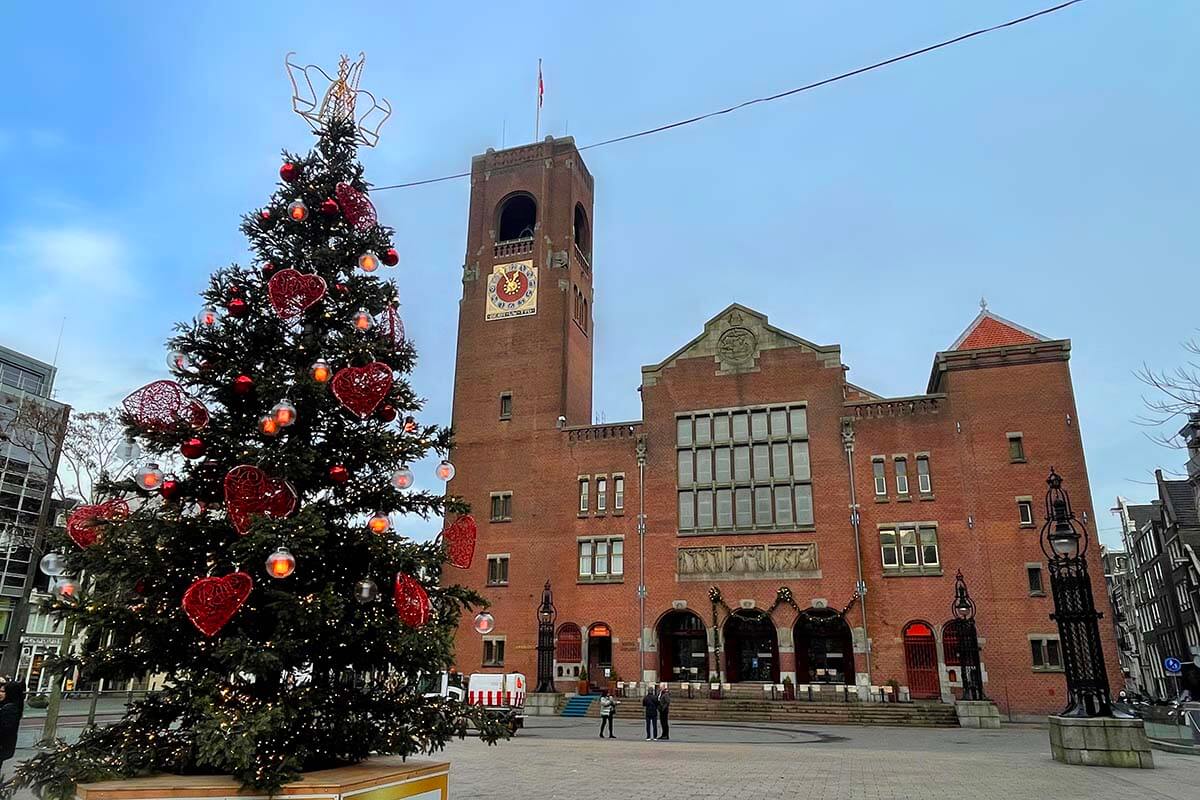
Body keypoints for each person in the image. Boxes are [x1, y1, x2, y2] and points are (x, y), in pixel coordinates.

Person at [0, 681, 26, 777]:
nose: (1, 694)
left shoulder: (9, 709)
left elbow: (4, 729)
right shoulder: (10, 706)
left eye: (3, 692)